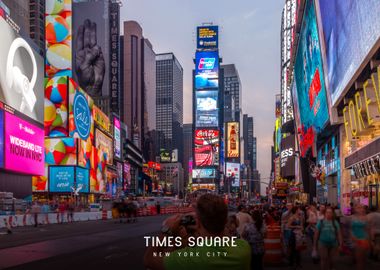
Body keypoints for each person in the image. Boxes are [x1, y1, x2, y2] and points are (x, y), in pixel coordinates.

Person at [144, 194, 251, 270]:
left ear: (199, 223)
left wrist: (166, 231)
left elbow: (149, 260)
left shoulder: (190, 258)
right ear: (225, 221)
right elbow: (224, 235)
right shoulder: (243, 248)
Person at [351, 204, 370, 270]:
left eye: (361, 207)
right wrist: (352, 237)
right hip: (356, 240)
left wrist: (370, 240)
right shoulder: (352, 217)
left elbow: (368, 230)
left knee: (363, 259)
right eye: (358, 207)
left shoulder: (366, 218)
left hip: (364, 239)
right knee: (359, 260)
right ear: (355, 209)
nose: (360, 209)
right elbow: (350, 229)